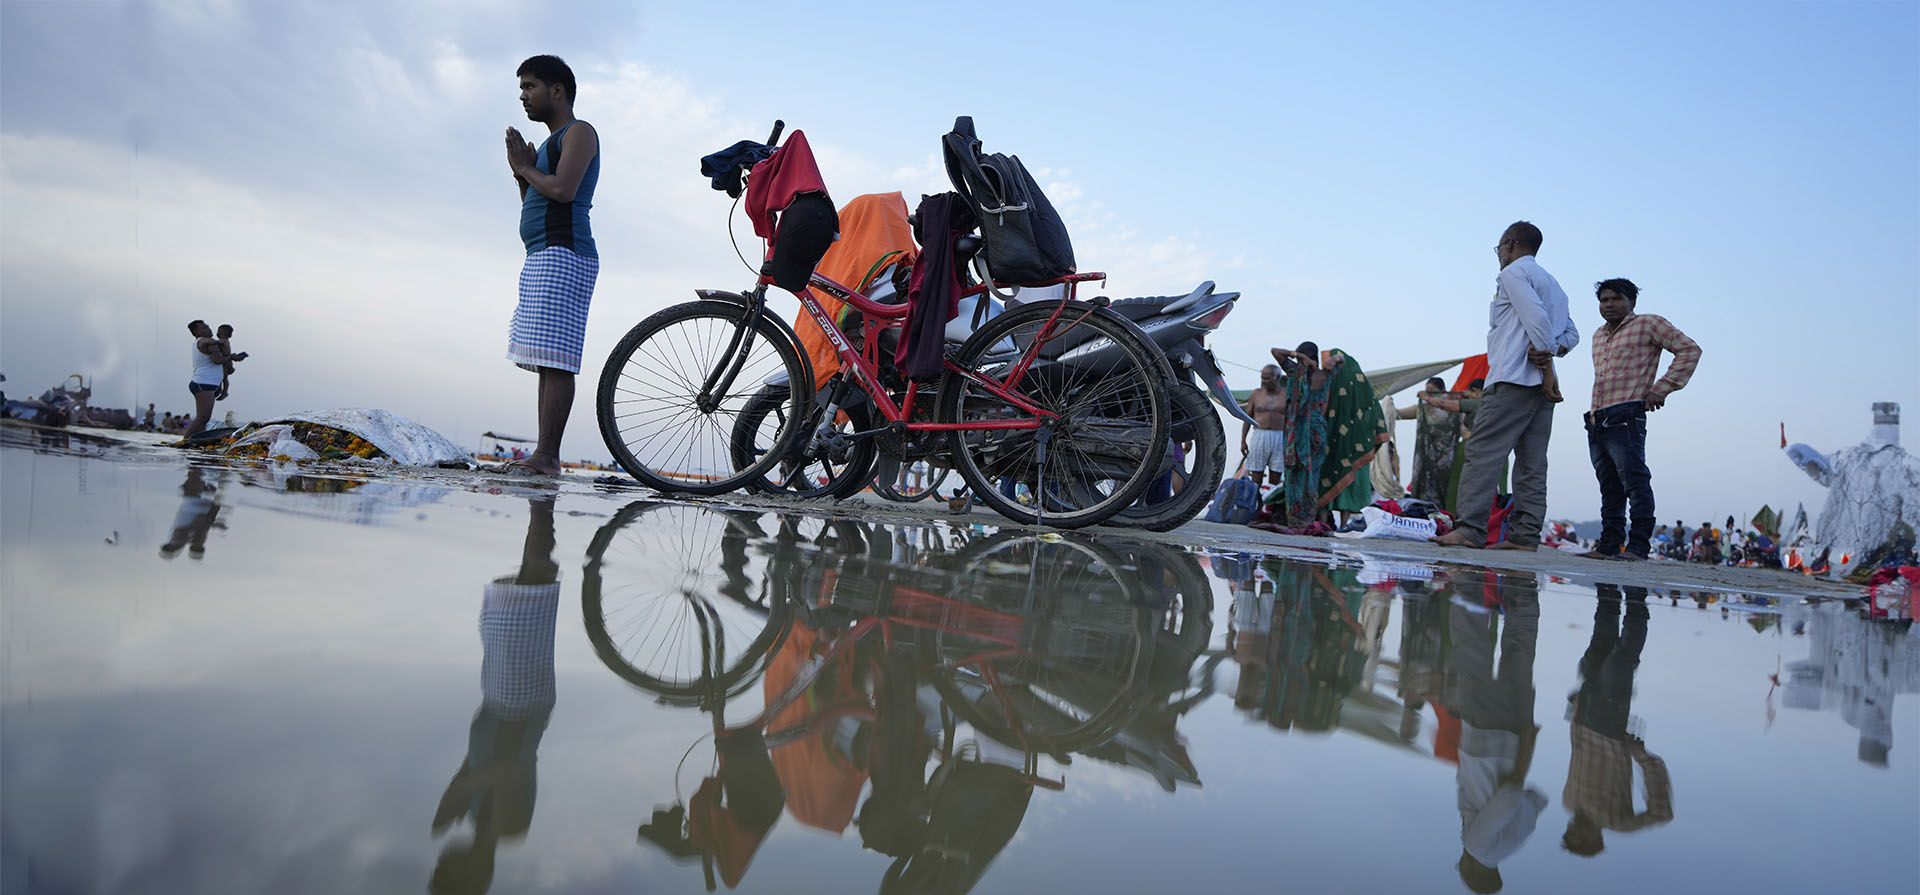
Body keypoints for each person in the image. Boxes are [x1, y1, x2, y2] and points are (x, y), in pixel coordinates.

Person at [432, 496, 561, 893]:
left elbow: (478, 762)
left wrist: (459, 785)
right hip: (519, 705)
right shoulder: (510, 828)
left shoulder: (476, 821)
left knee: (509, 603)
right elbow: (507, 768)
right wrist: (459, 793)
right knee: (530, 593)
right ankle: (543, 509)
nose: (439, 861)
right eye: (444, 872)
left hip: (499, 701)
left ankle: (542, 510)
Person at [1436, 222, 1580, 552]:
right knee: (1531, 462)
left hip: (1512, 379)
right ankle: (1525, 536)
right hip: (1540, 391)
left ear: (1511, 244)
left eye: (1499, 247)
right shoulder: (1554, 285)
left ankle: (1470, 528)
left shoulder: (1514, 274)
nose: (1499, 255)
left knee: (1483, 453)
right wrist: (1552, 356)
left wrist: (1545, 365)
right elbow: (1571, 336)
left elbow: (1537, 321)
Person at [501, 55, 600, 476]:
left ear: (556, 90)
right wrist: (522, 176)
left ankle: (547, 457)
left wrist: (525, 167)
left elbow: (562, 191)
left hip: (566, 253)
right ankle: (544, 454)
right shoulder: (546, 144)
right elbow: (539, 200)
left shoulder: (578, 133)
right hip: (543, 254)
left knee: (557, 359)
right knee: (545, 358)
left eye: (530, 87)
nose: (523, 96)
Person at [1580, 278, 1701, 560]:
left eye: (1616, 299)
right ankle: (1608, 545)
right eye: (1604, 300)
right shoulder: (1598, 335)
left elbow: (1690, 349)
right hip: (1598, 417)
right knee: (1609, 485)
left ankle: (1638, 546)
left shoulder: (1648, 324)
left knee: (1634, 481)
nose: (1609, 304)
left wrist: (1662, 388)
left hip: (1627, 413)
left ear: (1632, 302)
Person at [1447, 569, 1545, 893]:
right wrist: (1525, 755)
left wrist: (1526, 743)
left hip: (1513, 734)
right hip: (1482, 736)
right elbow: (1509, 795)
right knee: (1471, 647)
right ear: (1472, 872)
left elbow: (1534, 800)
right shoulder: (1478, 848)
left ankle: (1523, 585)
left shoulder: (1515, 841)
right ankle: (1468, 582)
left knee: (1520, 651)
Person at [1563, 584, 1672, 857]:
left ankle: (1608, 593)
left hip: (1584, 718)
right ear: (1595, 837)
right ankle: (1636, 600)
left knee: (1597, 650)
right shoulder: (1618, 822)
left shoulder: (1569, 803)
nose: (1573, 828)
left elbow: (1575, 757)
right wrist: (1643, 758)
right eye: (1579, 835)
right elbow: (1662, 813)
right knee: (1620, 660)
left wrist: (1575, 712)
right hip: (1610, 729)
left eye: (1569, 832)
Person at [1316, 348, 1387, 528]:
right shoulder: (1338, 389)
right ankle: (1339, 524)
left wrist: (1338, 358)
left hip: (1343, 446)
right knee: (1332, 478)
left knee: (1335, 478)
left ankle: (1334, 523)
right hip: (1343, 446)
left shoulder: (1354, 392)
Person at [1269, 342, 1335, 526]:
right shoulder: (1326, 374)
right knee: (1311, 475)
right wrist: (1333, 358)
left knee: (1296, 474)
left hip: (1299, 430)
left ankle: (1297, 519)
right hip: (1316, 430)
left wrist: (1296, 355)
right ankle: (1308, 517)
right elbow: (1342, 359)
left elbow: (1275, 351)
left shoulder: (1294, 371)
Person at [1400, 377, 1461, 505]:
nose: (1429, 394)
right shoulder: (1423, 408)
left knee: (1445, 488)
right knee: (1423, 487)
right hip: (1425, 456)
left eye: (1433, 391)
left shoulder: (1454, 409)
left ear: (1443, 391)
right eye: (1427, 391)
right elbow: (1399, 414)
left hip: (1446, 458)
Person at [184, 319, 236, 437]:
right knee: (202, 417)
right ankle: (184, 442)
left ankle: (196, 440)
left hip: (206, 384)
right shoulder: (206, 342)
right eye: (204, 327)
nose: (208, 328)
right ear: (196, 331)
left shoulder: (206, 342)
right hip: (204, 384)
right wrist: (231, 357)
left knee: (203, 419)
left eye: (207, 326)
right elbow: (217, 360)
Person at [1241, 364, 1289, 490]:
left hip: (1279, 437)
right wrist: (1243, 441)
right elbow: (1247, 418)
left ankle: (1270, 507)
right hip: (1259, 435)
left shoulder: (1286, 395)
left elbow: (1292, 421)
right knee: (1255, 476)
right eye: (1263, 378)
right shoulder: (1256, 394)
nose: (1264, 381)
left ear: (1277, 378)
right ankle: (1254, 504)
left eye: (1268, 378)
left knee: (1275, 478)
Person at [213, 323, 249, 401]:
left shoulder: (224, 341)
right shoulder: (224, 341)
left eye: (219, 332)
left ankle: (224, 392)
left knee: (224, 378)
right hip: (225, 362)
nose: (217, 333)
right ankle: (222, 390)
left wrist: (207, 341)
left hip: (226, 363)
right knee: (222, 378)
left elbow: (217, 342)